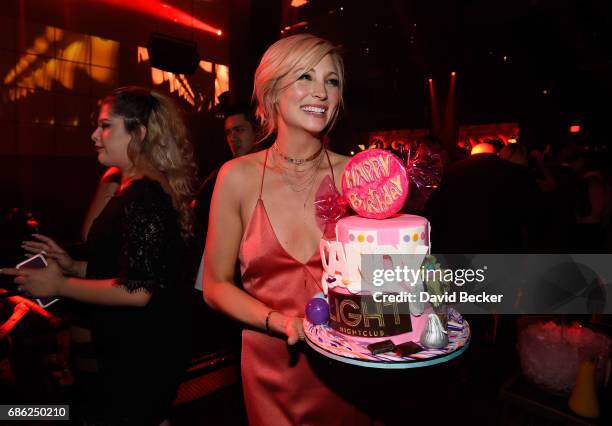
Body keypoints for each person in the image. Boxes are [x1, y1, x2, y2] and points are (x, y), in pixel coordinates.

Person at [2, 86, 197, 425]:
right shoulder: (133, 189)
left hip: (142, 355)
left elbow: (137, 290)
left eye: (106, 126)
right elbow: (135, 266)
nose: (95, 135)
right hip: (132, 351)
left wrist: (60, 284)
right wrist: (73, 264)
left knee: (62, 414)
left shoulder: (145, 195)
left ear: (139, 133)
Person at [203, 34, 370, 425]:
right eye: (305, 77)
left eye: (332, 81)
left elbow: (387, 276)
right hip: (271, 368)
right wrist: (279, 322)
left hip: (348, 370)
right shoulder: (237, 177)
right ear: (272, 90)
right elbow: (215, 285)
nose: (322, 92)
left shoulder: (359, 175)